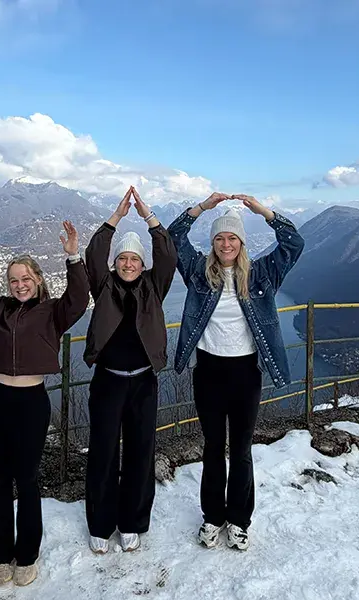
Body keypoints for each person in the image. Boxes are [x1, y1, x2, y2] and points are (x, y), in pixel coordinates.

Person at [0, 220, 89, 587]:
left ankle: (27, 554)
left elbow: (80, 298)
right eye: (13, 280)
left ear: (38, 280)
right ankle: (0, 556)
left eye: (26, 278)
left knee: (27, 480)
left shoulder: (53, 312)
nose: (20, 284)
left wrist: (73, 256)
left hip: (31, 401)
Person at [167, 193, 304, 552]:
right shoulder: (198, 272)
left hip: (245, 372)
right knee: (213, 447)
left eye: (232, 237)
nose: (226, 243)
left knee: (241, 449)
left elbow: (294, 242)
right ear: (212, 243)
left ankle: (240, 520)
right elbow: (172, 238)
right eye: (219, 238)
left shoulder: (262, 274)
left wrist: (263, 212)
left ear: (241, 242)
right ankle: (212, 517)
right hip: (209, 370)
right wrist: (202, 208)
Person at [82, 186, 177, 555]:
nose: (128, 264)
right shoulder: (103, 286)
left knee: (140, 452)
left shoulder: (154, 287)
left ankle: (133, 522)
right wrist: (116, 217)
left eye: (134, 259)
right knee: (103, 452)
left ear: (142, 264)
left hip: (142, 382)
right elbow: (93, 254)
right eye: (123, 258)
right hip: (107, 381)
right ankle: (101, 523)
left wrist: (149, 216)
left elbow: (167, 254)